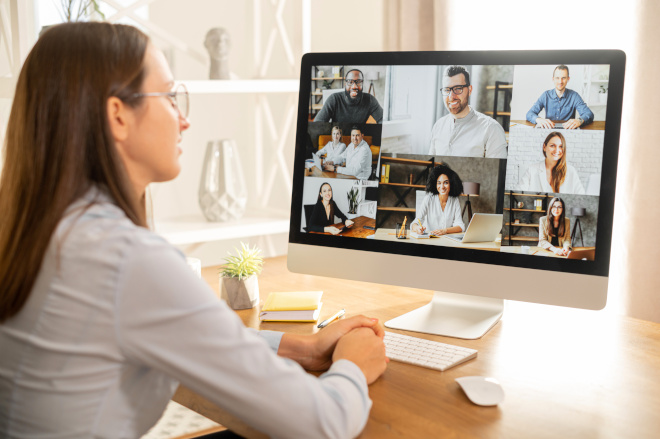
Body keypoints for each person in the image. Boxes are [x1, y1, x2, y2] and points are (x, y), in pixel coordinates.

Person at [0, 23, 388, 439]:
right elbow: (321, 423)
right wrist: (353, 365)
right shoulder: (127, 260)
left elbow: (191, 340)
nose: (183, 120)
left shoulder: (42, 231)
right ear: (117, 116)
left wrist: (303, 348)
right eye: (169, 96)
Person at [428, 65, 507, 158]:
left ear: (469, 90)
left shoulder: (492, 129)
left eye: (457, 89)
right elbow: (430, 166)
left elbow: (497, 171)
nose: (451, 96)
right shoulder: (438, 126)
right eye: (446, 89)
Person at [526, 65, 594, 129]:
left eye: (563, 78)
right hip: (549, 130)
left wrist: (579, 120)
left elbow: (589, 114)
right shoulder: (545, 95)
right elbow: (529, 114)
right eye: (557, 78)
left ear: (568, 79)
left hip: (568, 131)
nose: (560, 81)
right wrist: (538, 119)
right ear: (553, 79)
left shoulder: (574, 96)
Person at [518, 131, 585, 194]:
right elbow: (519, 193)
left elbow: (581, 196)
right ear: (544, 147)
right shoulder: (532, 170)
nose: (556, 150)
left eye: (561, 147)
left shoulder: (571, 171)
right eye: (552, 146)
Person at [411, 164, 466, 236]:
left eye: (446, 183)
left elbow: (461, 226)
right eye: (439, 183)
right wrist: (417, 228)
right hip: (430, 240)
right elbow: (415, 223)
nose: (442, 187)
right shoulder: (429, 198)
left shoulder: (454, 200)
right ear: (435, 184)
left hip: (446, 240)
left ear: (451, 184)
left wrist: (445, 230)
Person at [314, 69, 383, 124]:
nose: (354, 86)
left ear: (362, 84)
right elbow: (318, 123)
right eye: (350, 82)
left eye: (358, 82)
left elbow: (383, 120)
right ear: (345, 84)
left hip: (358, 137)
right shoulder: (334, 99)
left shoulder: (370, 100)